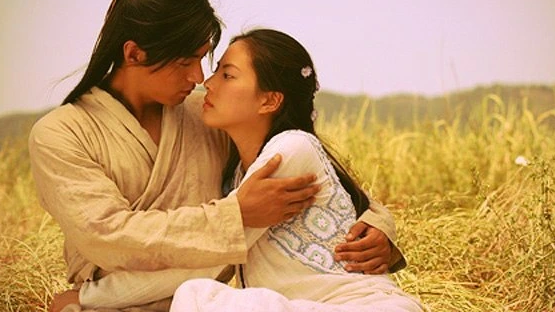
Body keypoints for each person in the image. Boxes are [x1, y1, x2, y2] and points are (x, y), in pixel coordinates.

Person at [28, 0, 405, 312]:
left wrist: (377, 227)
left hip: (203, 299)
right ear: (134, 53)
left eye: (205, 59)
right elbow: (107, 237)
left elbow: (313, 174)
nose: (199, 77)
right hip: (114, 302)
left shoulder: (208, 113)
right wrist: (235, 217)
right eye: (184, 62)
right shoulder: (61, 134)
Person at [168, 29, 423, 311]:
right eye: (217, 71)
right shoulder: (239, 171)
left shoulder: (292, 148)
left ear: (269, 101)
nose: (208, 82)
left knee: (196, 294)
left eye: (227, 75)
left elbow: (213, 246)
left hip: (366, 307)